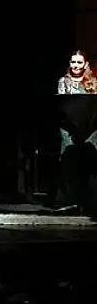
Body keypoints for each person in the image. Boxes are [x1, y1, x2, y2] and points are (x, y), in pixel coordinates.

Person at [55, 50, 97, 213]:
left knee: (90, 160)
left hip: (90, 128)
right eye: (73, 62)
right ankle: (68, 200)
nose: (76, 65)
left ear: (85, 64)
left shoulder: (93, 82)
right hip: (69, 127)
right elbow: (61, 105)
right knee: (69, 161)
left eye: (80, 62)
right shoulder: (64, 82)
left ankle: (89, 201)